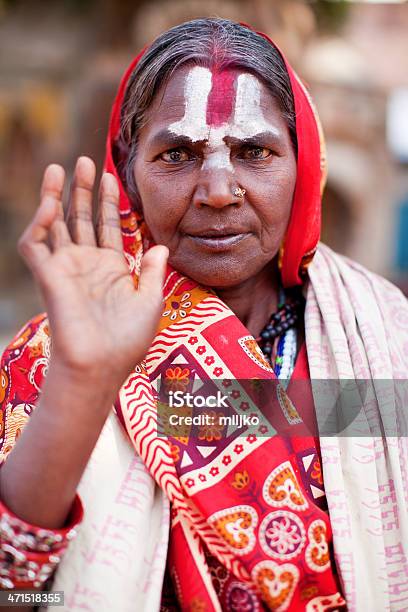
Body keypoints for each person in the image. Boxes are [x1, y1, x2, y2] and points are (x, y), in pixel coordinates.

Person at [0, 17, 407, 612]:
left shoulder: (381, 332)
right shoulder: (55, 355)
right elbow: (17, 595)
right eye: (177, 154)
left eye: (256, 151)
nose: (218, 189)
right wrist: (83, 382)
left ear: (304, 165)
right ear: (129, 170)